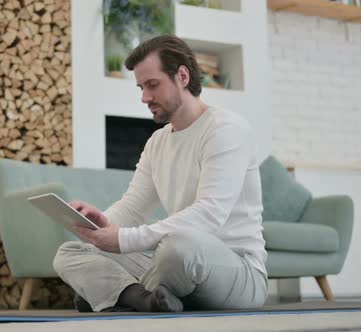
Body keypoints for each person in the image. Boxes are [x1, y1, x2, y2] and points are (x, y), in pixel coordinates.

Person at [53, 35, 267, 312]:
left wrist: (124, 239)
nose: (145, 97)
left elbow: (209, 214)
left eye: (153, 85)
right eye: (141, 87)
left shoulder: (226, 129)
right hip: (177, 264)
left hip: (238, 271)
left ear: (182, 76)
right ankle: (144, 299)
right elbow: (133, 207)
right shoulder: (157, 142)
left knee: (177, 248)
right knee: (70, 253)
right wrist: (100, 224)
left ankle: (116, 295)